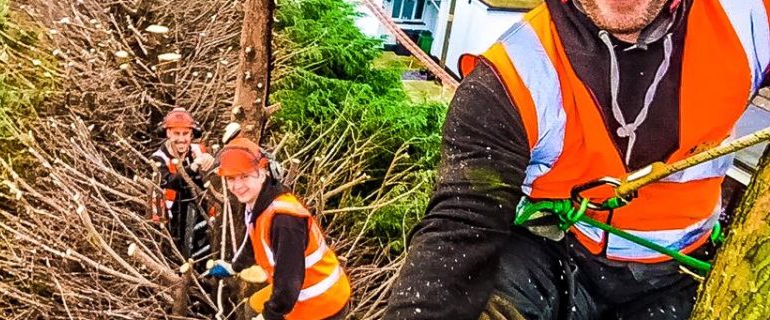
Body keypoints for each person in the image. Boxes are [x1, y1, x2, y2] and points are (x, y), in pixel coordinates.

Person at [384, 0, 769, 318]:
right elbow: (461, 228)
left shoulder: (746, 16)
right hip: (551, 255)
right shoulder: (512, 76)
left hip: (679, 274)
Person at [207, 138, 351, 320]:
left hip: (321, 304)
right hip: (301, 292)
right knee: (251, 307)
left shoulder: (284, 221)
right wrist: (234, 267)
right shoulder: (259, 203)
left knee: (261, 311)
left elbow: (288, 283)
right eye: (231, 178)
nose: (237, 186)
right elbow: (254, 239)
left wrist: (269, 316)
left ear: (264, 171)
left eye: (245, 176)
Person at [150, 107, 215, 261]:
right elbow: (169, 182)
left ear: (192, 134)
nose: (181, 139)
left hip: (202, 206)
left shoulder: (199, 150)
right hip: (171, 215)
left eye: (185, 134)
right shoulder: (158, 158)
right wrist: (192, 168)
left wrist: (210, 161)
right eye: (176, 133)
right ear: (168, 133)